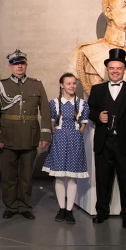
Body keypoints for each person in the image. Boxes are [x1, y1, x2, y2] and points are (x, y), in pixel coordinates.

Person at [88, 48, 126, 229]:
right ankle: (101, 212)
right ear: (107, 69)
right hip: (103, 142)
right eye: (112, 68)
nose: (115, 71)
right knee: (103, 180)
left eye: (119, 68)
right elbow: (89, 110)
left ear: (124, 70)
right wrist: (97, 116)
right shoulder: (97, 89)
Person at [0, 49, 51, 220]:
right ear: (10, 66)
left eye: (22, 63)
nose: (19, 66)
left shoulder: (36, 84)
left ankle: (24, 205)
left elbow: (45, 112)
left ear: (26, 65)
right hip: (7, 137)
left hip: (30, 136)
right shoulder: (1, 85)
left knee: (26, 175)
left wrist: (45, 135)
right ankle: (10, 205)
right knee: (8, 175)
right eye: (16, 64)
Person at [42, 73, 89, 224]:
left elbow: (82, 127)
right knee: (60, 177)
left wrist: (74, 136)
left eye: (74, 83)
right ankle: (61, 208)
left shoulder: (82, 104)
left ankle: (69, 210)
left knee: (72, 177)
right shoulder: (54, 103)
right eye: (68, 83)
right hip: (59, 140)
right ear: (62, 85)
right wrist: (59, 136)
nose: (72, 86)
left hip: (75, 141)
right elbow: (52, 125)